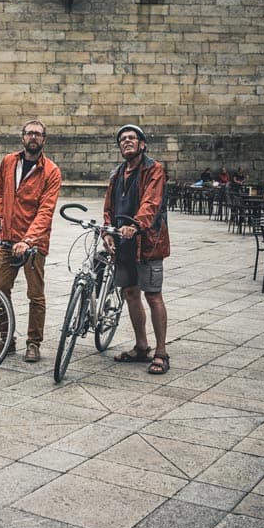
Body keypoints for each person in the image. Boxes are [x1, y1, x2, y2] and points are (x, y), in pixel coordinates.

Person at [0, 119, 62, 363]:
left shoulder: (51, 171)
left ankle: (33, 343)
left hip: (34, 243)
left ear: (44, 140)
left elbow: (46, 211)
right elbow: (0, 191)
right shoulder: (8, 162)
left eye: (38, 134)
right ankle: (6, 340)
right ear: (22, 137)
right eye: (29, 133)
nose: (33, 137)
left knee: (35, 295)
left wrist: (28, 240)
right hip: (6, 238)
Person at [104, 124, 172, 375]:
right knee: (130, 293)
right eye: (122, 139)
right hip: (123, 244)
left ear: (142, 144)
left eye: (132, 138)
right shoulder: (116, 175)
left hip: (148, 242)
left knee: (153, 295)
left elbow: (151, 203)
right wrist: (107, 232)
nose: (127, 141)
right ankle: (141, 346)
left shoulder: (154, 170)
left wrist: (135, 225)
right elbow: (108, 209)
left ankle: (161, 352)